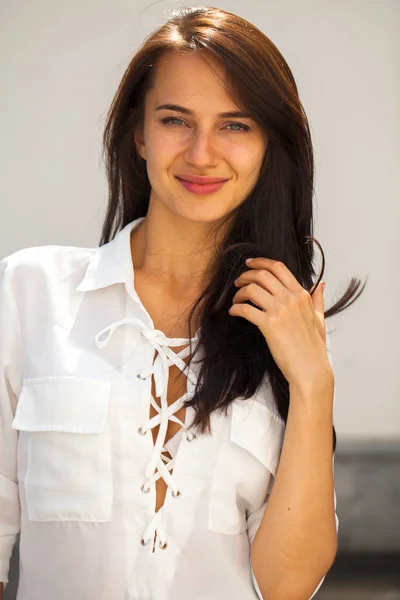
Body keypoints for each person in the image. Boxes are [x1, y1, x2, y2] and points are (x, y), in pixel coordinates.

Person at [0, 5, 366, 600]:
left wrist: (313, 384)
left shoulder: (282, 331)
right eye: (176, 120)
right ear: (139, 133)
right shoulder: (27, 293)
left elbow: (288, 583)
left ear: (270, 144)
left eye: (235, 125)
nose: (201, 153)